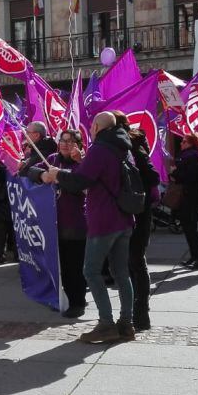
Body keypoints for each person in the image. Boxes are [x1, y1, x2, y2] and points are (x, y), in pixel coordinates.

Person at [43, 111, 139, 344]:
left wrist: (58, 174)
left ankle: (106, 324)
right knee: (121, 273)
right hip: (124, 218)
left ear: (96, 126)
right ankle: (126, 323)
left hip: (104, 219)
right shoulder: (123, 146)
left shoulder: (100, 148)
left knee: (91, 271)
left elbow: (81, 181)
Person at [28, 129, 88, 317]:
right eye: (63, 140)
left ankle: (78, 302)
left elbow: (82, 184)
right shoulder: (52, 159)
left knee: (74, 266)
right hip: (53, 224)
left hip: (76, 223)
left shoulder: (84, 163)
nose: (65, 144)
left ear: (78, 145)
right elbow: (28, 169)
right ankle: (65, 298)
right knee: (60, 265)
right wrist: (41, 175)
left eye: (70, 141)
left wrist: (59, 175)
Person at [124, 122, 161, 331]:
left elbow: (152, 177)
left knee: (136, 261)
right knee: (131, 262)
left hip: (140, 212)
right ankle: (133, 311)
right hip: (132, 212)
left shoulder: (135, 150)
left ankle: (141, 313)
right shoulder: (127, 148)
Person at [171, 132, 198, 270]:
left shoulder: (191, 156)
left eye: (184, 141)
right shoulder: (188, 156)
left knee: (191, 229)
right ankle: (195, 256)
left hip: (190, 197)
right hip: (189, 196)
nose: (181, 143)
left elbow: (190, 177)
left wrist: (174, 172)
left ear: (192, 143)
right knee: (188, 228)